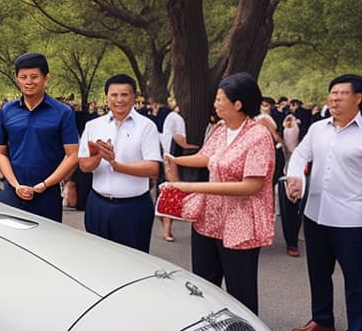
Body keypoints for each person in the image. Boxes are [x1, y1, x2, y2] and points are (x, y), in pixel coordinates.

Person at [286, 74, 362, 331]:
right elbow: (299, 156)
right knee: (318, 272)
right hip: (316, 214)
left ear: (358, 98)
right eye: (332, 93)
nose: (334, 98)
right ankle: (322, 320)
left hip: (353, 220)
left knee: (356, 281)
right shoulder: (318, 128)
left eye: (342, 93)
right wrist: (295, 178)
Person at [163, 72, 275, 315]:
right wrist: (178, 160)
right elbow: (207, 157)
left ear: (238, 104)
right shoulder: (221, 129)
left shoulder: (258, 136)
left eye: (219, 99)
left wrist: (190, 187)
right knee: (204, 285)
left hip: (240, 222)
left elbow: (251, 186)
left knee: (240, 291)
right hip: (209, 219)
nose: (215, 104)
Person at [0, 52, 79, 222]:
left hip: (47, 193)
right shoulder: (7, 111)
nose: (28, 82)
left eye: (34, 77)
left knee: (46, 245)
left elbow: (72, 155)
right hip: (12, 192)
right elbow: (0, 152)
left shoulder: (63, 112)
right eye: (23, 77)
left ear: (46, 78)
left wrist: (45, 184)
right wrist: (15, 185)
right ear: (17, 79)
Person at [78, 74, 161, 252]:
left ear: (134, 97)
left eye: (124, 94)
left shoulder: (146, 127)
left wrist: (115, 164)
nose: (119, 99)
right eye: (114, 95)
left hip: (133, 208)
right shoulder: (94, 125)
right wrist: (99, 155)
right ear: (106, 97)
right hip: (97, 204)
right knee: (97, 258)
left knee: (133, 260)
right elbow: (84, 166)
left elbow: (153, 168)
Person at [159, 98, 198, 241]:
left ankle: (165, 224)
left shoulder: (168, 117)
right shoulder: (177, 118)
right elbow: (180, 139)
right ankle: (167, 230)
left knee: (168, 191)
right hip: (172, 158)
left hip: (166, 156)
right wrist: (197, 148)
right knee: (172, 192)